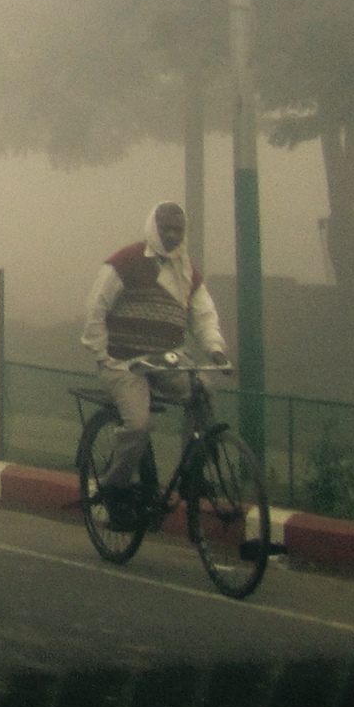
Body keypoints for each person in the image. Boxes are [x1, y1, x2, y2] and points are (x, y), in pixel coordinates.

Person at [79, 201, 225, 508]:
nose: (172, 235)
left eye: (178, 229)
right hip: (124, 362)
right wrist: (103, 354)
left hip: (166, 358)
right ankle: (113, 485)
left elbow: (204, 315)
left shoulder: (186, 271)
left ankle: (192, 473)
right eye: (166, 228)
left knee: (204, 389)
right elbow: (96, 307)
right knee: (139, 425)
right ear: (153, 228)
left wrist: (215, 349)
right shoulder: (126, 261)